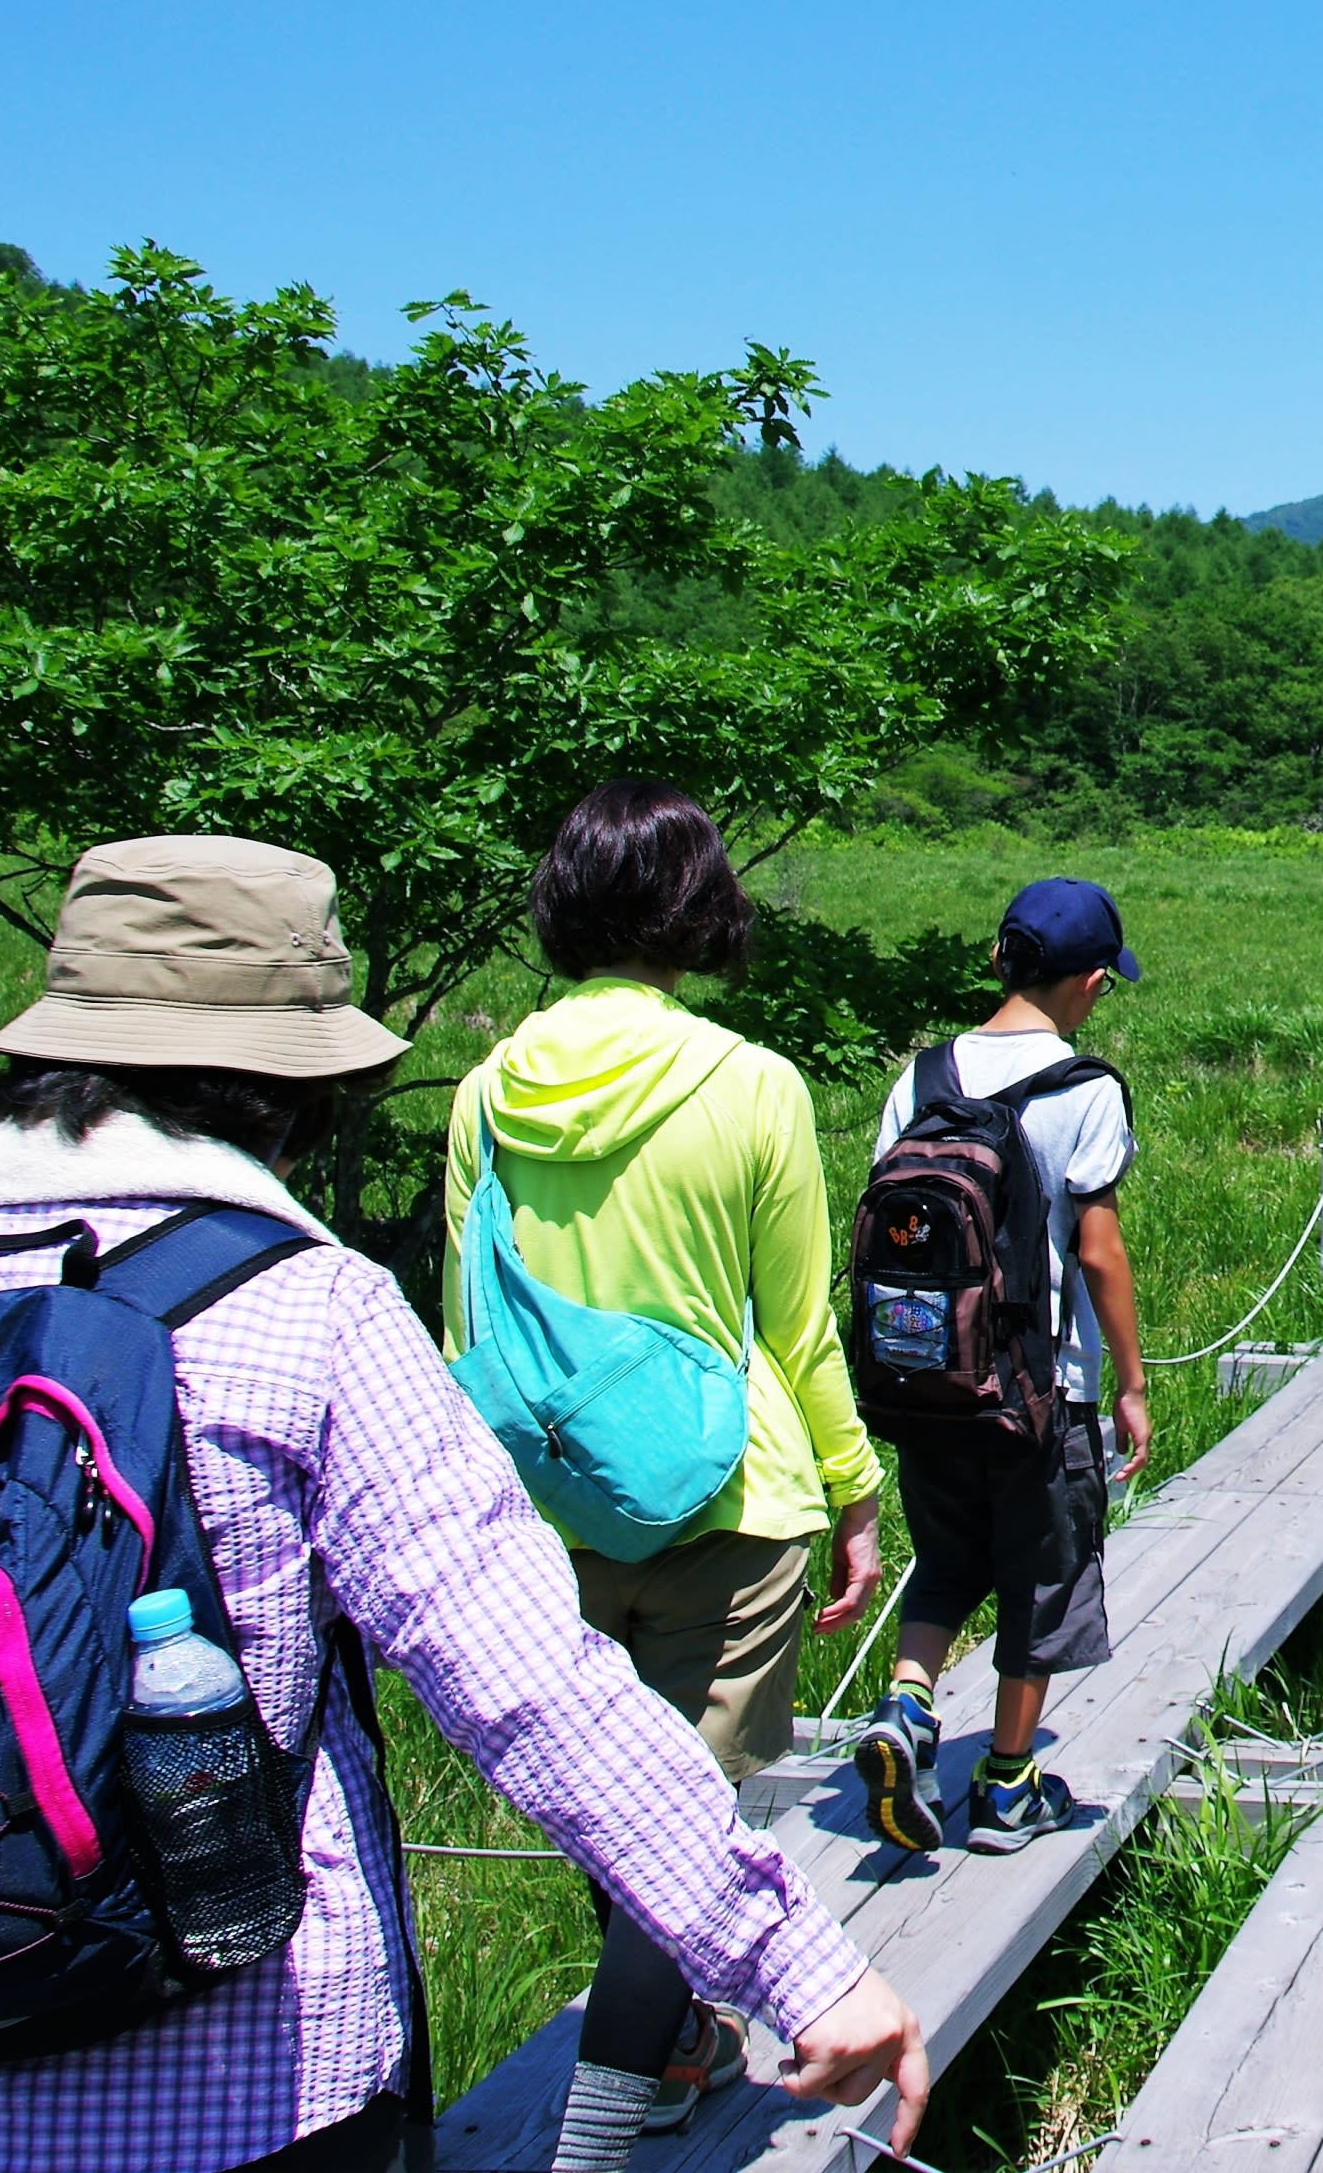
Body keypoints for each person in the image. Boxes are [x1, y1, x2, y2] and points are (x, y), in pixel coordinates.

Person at [0, 834, 924, 2173]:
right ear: (286, 1088)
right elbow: (531, 1687)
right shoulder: (306, 1313)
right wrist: (795, 1961)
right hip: (247, 2092)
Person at [440, 780, 891, 2169]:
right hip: (730, 1495)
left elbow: (470, 1318)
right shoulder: (752, 1083)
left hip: (545, 1501)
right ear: (702, 911)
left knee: (608, 1797)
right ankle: (608, 2109)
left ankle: (675, 2037)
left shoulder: (485, 1091)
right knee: (684, 1815)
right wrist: (855, 1485)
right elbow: (799, 1322)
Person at [847, 878, 1150, 1859]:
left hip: (928, 1383)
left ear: (998, 961)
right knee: (1041, 1584)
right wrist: (1132, 1385)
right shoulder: (1085, 1090)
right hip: (1038, 1389)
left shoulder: (923, 1077)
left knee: (946, 1562)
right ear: (1094, 983)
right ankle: (1010, 1785)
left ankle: (908, 1705)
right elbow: (1098, 1251)